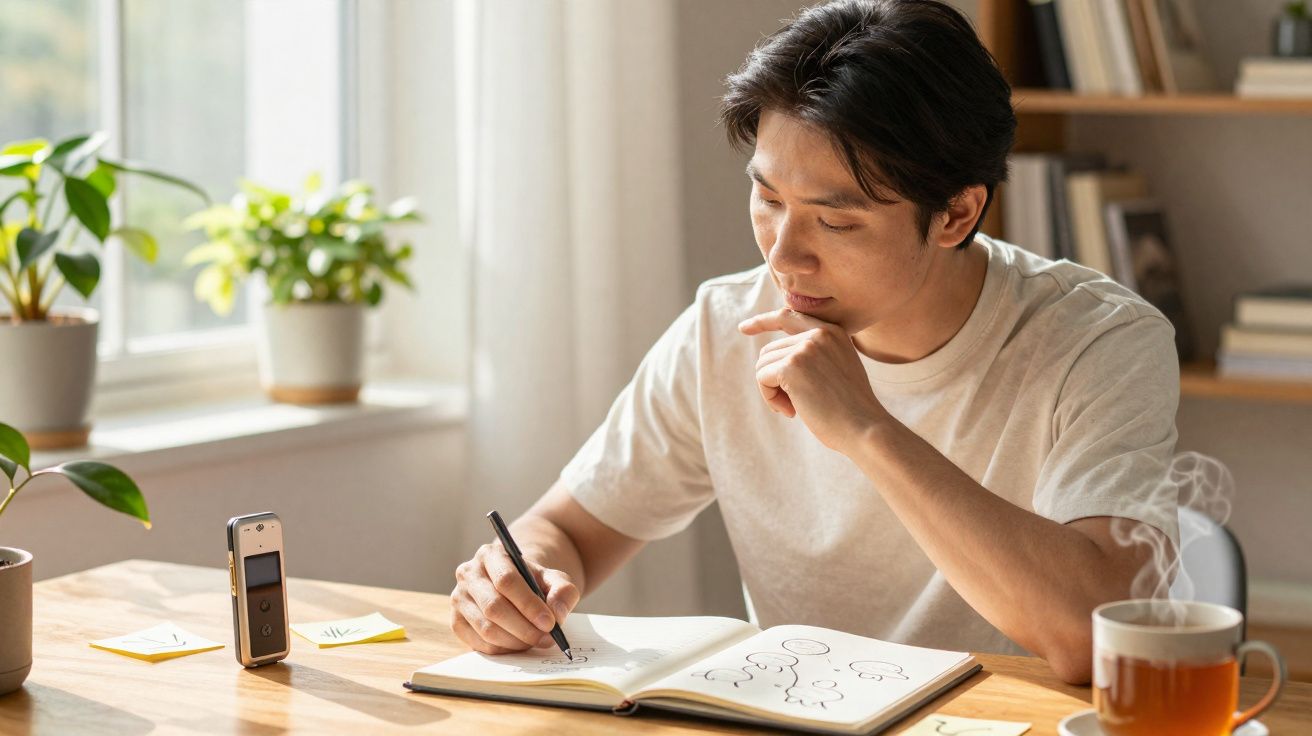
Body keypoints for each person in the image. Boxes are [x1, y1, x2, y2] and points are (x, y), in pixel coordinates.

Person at [450, 0, 1180, 685]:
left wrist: (866, 429)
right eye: (768, 199)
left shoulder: (1099, 341)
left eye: (836, 221)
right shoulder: (725, 326)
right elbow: (567, 530)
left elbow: (1095, 637)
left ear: (956, 214)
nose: (784, 257)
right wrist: (520, 582)